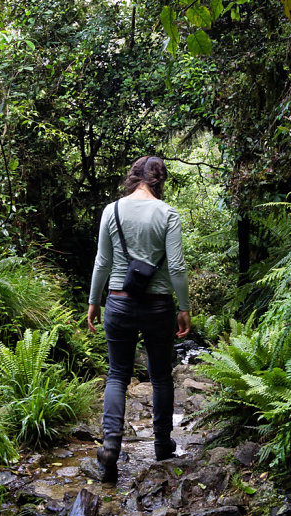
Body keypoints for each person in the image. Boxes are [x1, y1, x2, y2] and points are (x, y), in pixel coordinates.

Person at [83, 155, 190, 484]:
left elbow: (103, 261)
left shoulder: (111, 210)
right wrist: (183, 306)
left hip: (117, 301)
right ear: (159, 180)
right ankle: (162, 446)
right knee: (160, 377)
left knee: (117, 376)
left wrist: (93, 300)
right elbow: (176, 267)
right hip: (158, 307)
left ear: (133, 176)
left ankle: (111, 446)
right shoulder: (167, 213)